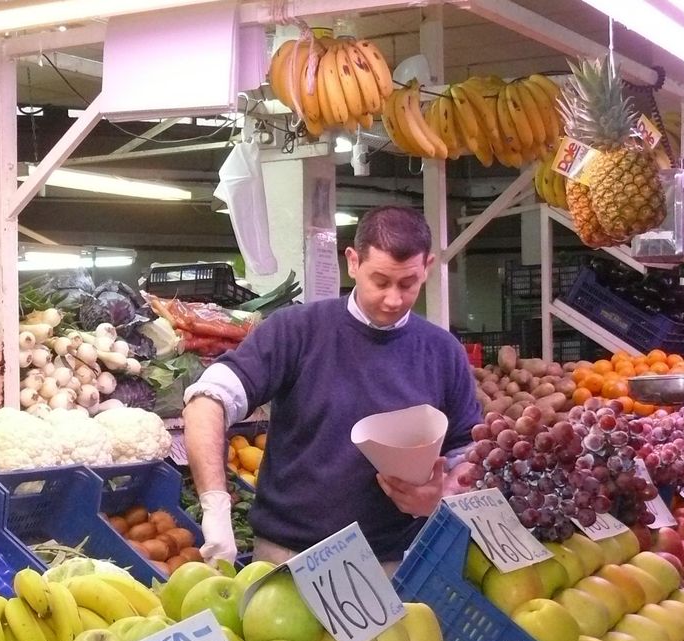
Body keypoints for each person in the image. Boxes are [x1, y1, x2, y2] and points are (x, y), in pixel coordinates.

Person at [182, 206, 481, 567]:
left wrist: (442, 495)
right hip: (288, 557)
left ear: (428, 267)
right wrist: (215, 504)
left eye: (408, 284)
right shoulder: (295, 330)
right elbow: (207, 399)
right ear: (353, 262)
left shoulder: (443, 351)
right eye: (380, 281)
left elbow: (467, 452)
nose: (393, 299)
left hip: (393, 563)